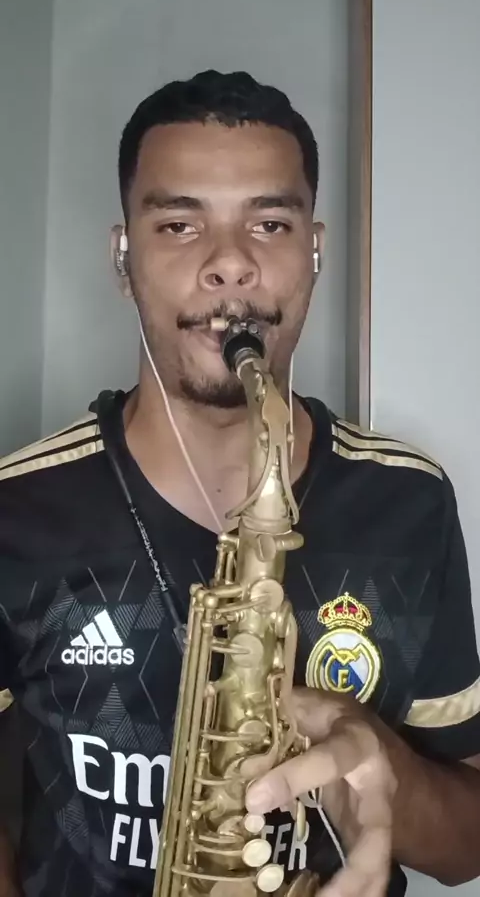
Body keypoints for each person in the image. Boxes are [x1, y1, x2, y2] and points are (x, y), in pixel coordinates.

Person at [1, 70, 480, 897]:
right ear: (123, 259)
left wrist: (375, 762)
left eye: (269, 223)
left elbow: (467, 846)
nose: (230, 264)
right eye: (179, 225)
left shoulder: (410, 501)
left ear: (315, 252)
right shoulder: (16, 509)